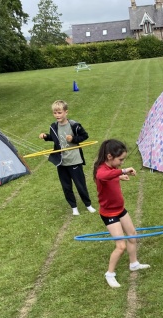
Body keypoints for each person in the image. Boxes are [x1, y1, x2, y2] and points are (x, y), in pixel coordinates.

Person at [93, 140, 150, 288]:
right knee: (120, 246)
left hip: (120, 209)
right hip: (109, 213)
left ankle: (134, 263)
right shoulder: (101, 169)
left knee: (132, 235)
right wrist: (123, 171)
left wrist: (119, 177)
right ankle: (110, 274)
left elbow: (110, 176)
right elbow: (102, 176)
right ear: (109, 156)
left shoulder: (112, 169)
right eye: (120, 159)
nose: (122, 163)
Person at [39, 100, 96, 215]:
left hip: (74, 160)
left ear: (66, 112)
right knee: (66, 186)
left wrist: (73, 139)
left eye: (59, 112)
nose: (57, 115)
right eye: (55, 113)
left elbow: (85, 136)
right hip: (61, 162)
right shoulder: (54, 126)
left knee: (80, 184)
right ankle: (74, 207)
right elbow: (55, 138)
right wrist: (46, 136)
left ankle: (88, 204)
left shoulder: (74, 125)